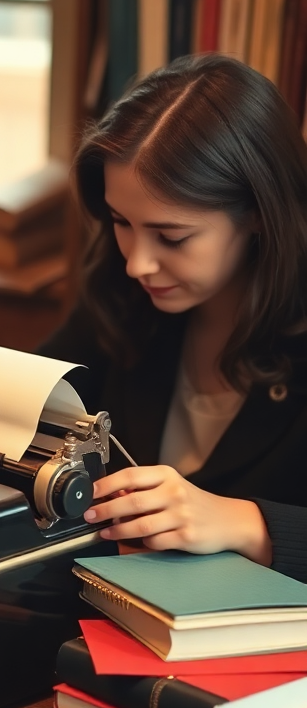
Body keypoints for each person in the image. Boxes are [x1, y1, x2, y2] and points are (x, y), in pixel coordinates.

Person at [41, 52, 307, 583]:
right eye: (121, 221)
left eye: (173, 236)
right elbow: (31, 398)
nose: (137, 263)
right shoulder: (122, 293)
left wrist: (248, 523)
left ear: (258, 213)